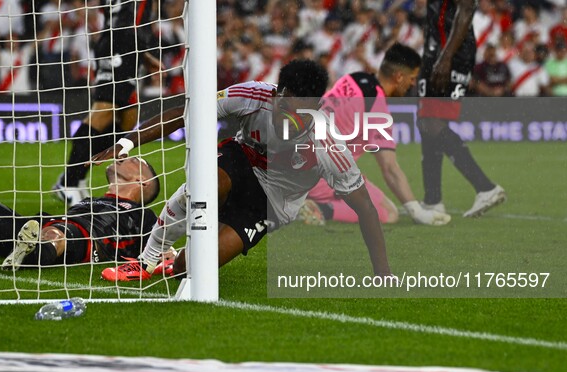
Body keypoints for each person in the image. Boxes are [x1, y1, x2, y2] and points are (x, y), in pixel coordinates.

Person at [92, 60, 394, 282]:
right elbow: (188, 112)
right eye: (285, 110)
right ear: (277, 95)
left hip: (272, 204)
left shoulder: (327, 145)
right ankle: (147, 260)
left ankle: (173, 261)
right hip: (240, 163)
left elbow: (365, 207)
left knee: (189, 271)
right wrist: (128, 140)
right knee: (208, 179)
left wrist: (383, 274)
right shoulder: (251, 96)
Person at [301, 43, 451, 226]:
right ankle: (320, 209)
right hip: (318, 174)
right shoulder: (377, 109)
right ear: (399, 76)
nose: (413, 84)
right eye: (412, 78)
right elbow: (389, 169)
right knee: (388, 211)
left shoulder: (353, 78)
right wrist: (417, 211)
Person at [52, 0, 162, 206]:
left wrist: (144, 54)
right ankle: (69, 182)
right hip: (118, 41)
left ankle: (77, 173)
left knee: (128, 120)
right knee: (105, 108)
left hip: (131, 44)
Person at [0, 158, 162, 272]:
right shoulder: (91, 199)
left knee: (57, 233)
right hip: (49, 224)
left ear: (142, 181)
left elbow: (160, 249)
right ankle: (20, 248)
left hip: (88, 239)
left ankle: (30, 252)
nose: (123, 156)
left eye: (135, 160)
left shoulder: (143, 214)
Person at [417, 0, 506, 218]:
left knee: (432, 122)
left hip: (452, 54)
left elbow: (467, 8)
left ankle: (485, 187)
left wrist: (446, 57)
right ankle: (432, 201)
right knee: (425, 121)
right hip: (436, 50)